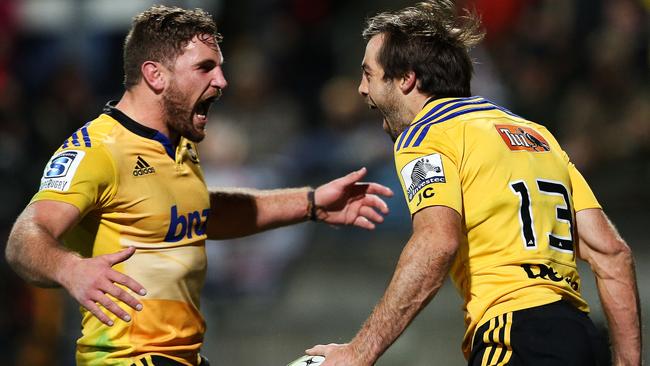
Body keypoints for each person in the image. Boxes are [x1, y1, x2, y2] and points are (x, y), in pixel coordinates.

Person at [4, 5, 394, 366]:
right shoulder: (97, 150)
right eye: (205, 67)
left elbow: (200, 213)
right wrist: (71, 268)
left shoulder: (179, 140)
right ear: (155, 75)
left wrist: (309, 202)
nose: (222, 81)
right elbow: (25, 238)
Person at [307, 1, 641, 365]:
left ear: (406, 79)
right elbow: (612, 253)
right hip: (582, 337)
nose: (360, 89)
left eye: (368, 74)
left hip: (516, 334)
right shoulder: (537, 135)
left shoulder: (426, 134)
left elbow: (436, 241)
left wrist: (359, 352)